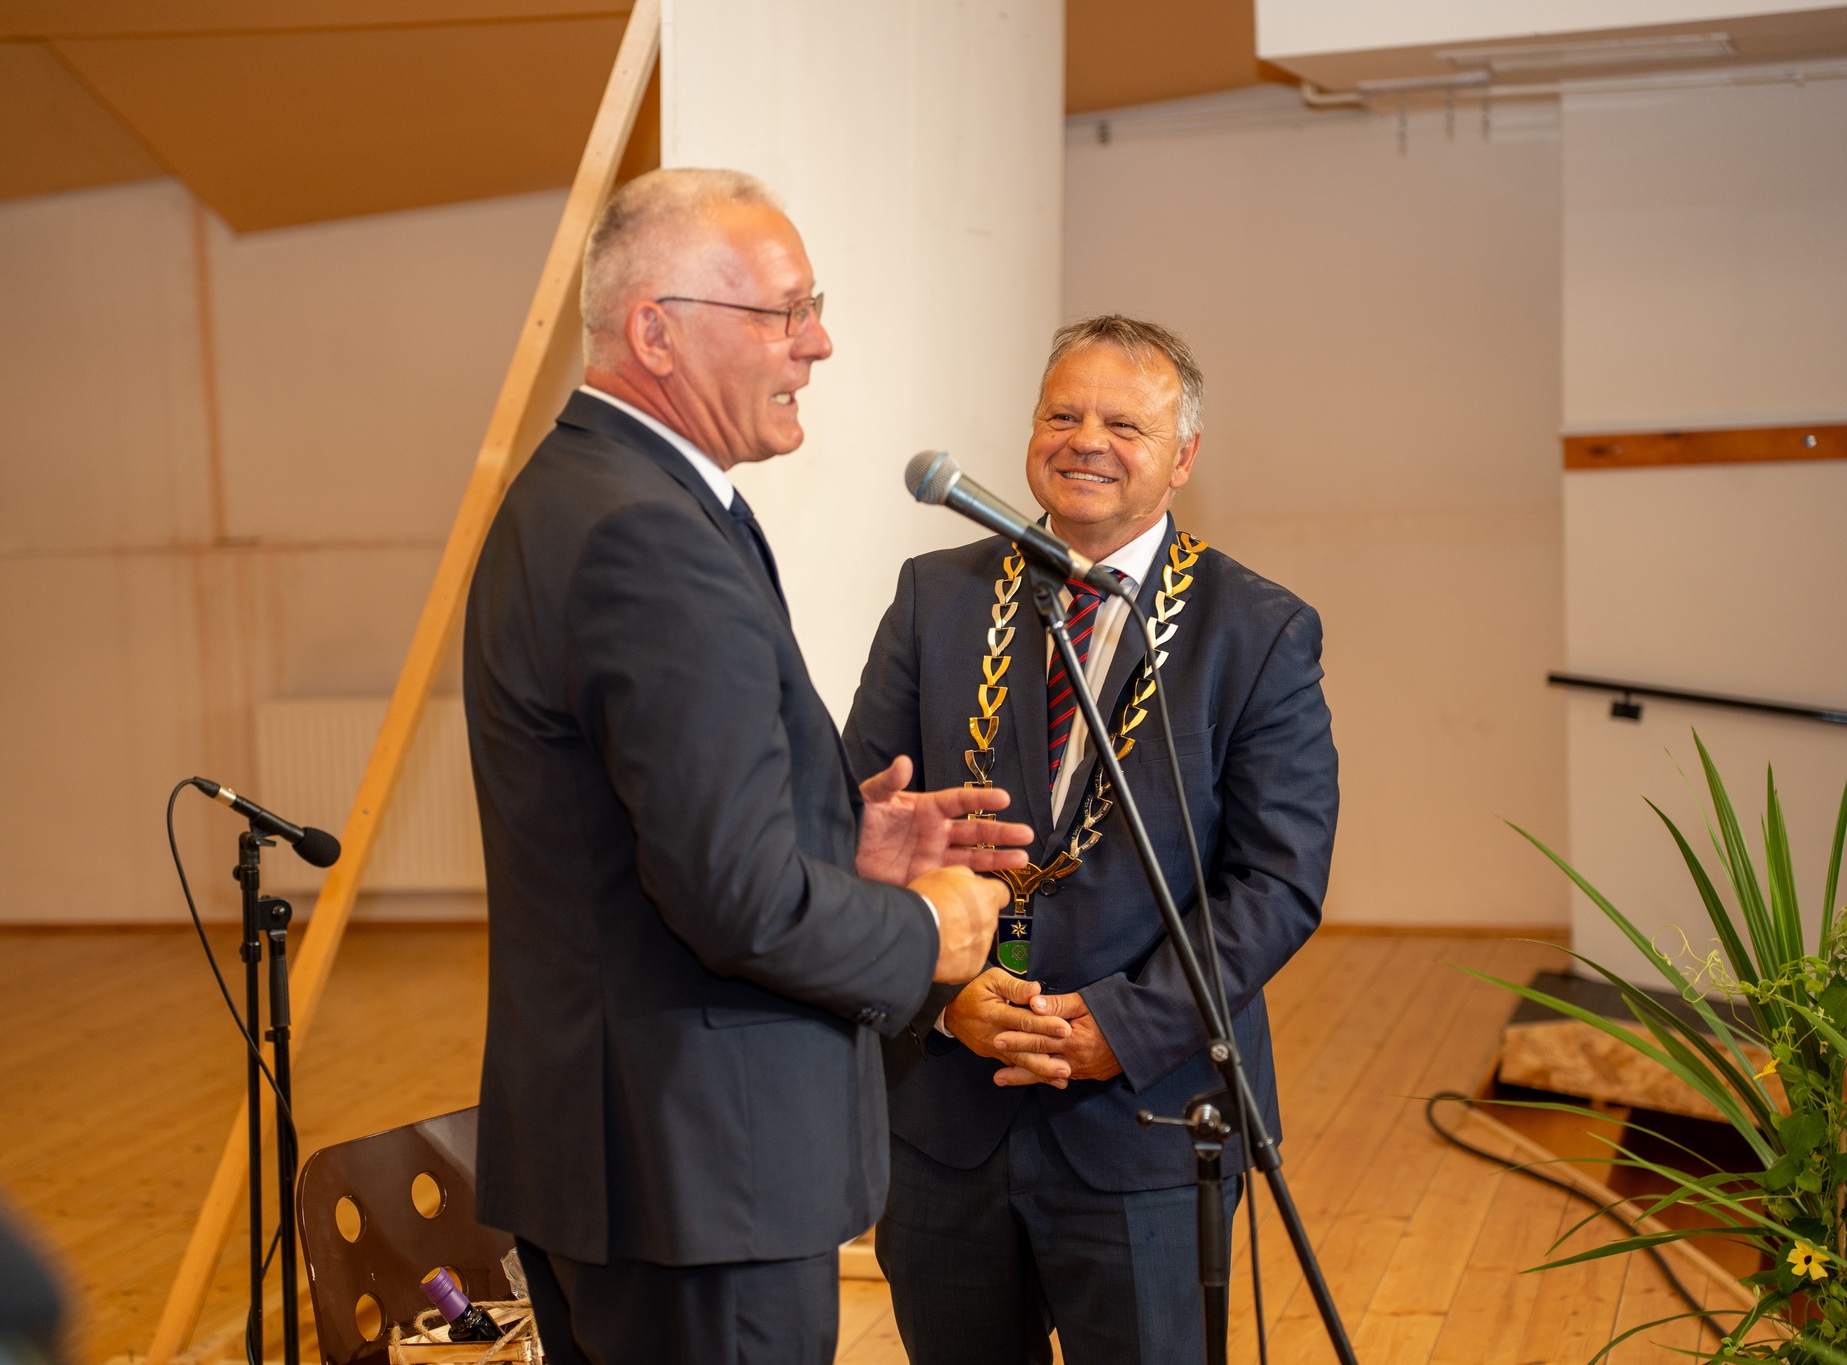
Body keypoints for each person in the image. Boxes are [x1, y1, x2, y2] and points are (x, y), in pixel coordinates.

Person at [460, 167, 1029, 1365]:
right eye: (783, 312)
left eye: (811, 308)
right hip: (696, 1178)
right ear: (654, 333)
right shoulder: (647, 533)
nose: (816, 342)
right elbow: (734, 901)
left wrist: (835, 839)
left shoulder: (583, 490)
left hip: (618, 1159)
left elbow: (635, 827)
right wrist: (927, 927)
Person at [844, 315, 1339, 1365]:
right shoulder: (934, 598)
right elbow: (858, 823)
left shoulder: (1255, 630)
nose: (1086, 441)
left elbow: (1276, 881)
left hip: (1147, 1119)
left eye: (1124, 423)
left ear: (1183, 457)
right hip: (945, 1111)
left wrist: (1121, 1023)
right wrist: (941, 996)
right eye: (1061, 414)